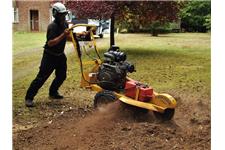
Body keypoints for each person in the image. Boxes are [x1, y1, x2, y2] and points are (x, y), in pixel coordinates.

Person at [25, 2, 71, 107]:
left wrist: (79, 36)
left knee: (61, 76)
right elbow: (50, 43)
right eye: (61, 14)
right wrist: (63, 34)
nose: (63, 16)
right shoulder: (52, 26)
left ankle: (53, 92)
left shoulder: (65, 24)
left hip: (60, 55)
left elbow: (67, 37)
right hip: (50, 56)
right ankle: (29, 98)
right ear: (55, 14)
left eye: (64, 14)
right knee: (41, 78)